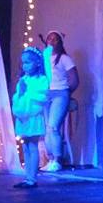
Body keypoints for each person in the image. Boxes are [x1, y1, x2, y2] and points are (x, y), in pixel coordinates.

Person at [12, 47, 50, 188]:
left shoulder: (42, 79)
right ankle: (27, 177)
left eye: (28, 62)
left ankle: (32, 179)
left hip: (33, 116)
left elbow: (42, 96)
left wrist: (27, 92)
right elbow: (17, 97)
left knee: (32, 146)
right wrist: (21, 93)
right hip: (23, 117)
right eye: (23, 63)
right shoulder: (23, 79)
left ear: (38, 63)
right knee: (25, 146)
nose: (25, 65)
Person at [42, 30, 79, 172]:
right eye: (49, 38)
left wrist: (66, 94)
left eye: (55, 39)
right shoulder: (44, 58)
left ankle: (58, 160)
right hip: (46, 95)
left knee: (53, 127)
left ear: (60, 42)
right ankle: (50, 159)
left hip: (60, 94)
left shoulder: (64, 58)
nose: (51, 41)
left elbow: (74, 80)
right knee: (47, 129)